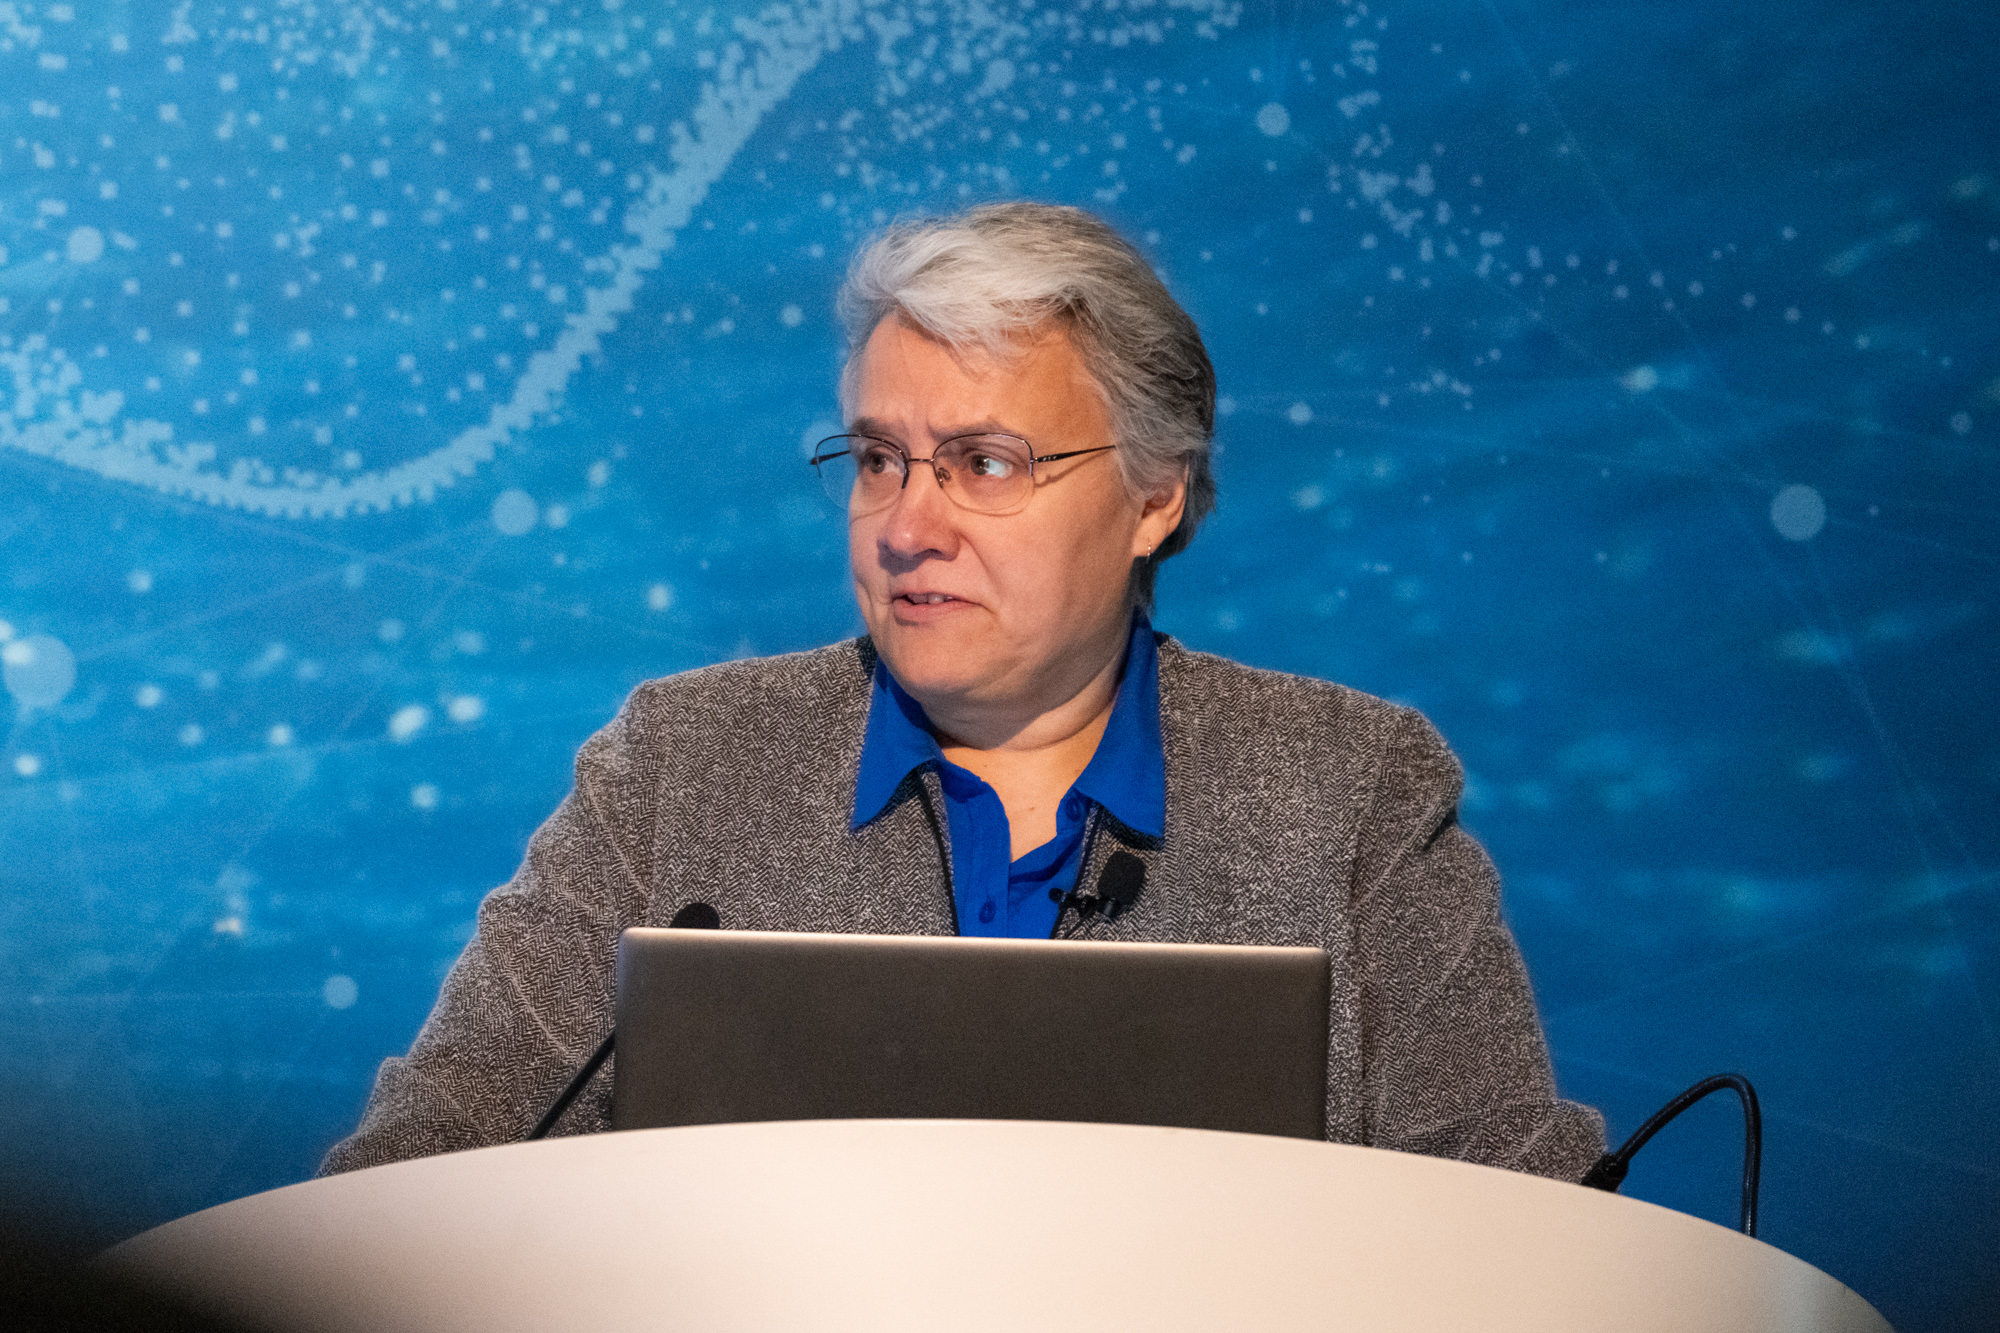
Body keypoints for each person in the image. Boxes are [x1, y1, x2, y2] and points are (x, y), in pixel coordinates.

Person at [322, 202, 1603, 1180]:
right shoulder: (680, 765)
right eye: (879, 459)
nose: (906, 524)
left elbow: (1518, 1212)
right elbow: (417, 1171)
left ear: (1153, 497)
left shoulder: (1349, 792)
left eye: (984, 463)